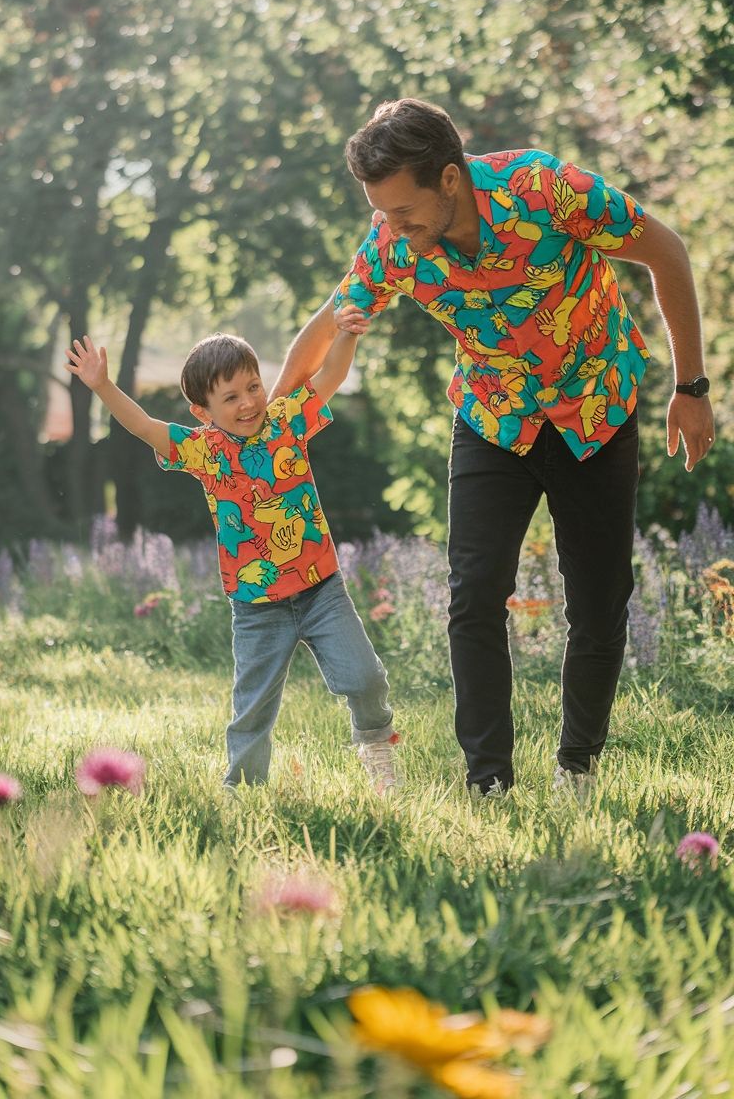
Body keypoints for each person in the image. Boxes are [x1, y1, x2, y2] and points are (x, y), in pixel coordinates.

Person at [269, 98, 715, 796]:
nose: (391, 227)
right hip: (495, 420)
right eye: (380, 212)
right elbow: (326, 327)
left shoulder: (545, 190)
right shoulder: (393, 244)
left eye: (401, 210)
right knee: (474, 595)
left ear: (450, 179)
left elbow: (667, 252)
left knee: (599, 602)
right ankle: (489, 782)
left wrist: (690, 386)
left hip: (594, 409)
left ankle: (578, 768)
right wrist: (272, 428)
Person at [65, 328, 399, 794]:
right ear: (203, 412)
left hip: (322, 589)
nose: (248, 403)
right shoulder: (204, 450)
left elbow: (332, 374)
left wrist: (347, 332)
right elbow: (143, 425)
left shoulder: (286, 420)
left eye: (253, 387)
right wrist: (102, 386)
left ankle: (376, 744)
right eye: (231, 397)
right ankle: (242, 790)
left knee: (364, 678)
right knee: (253, 708)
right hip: (257, 607)